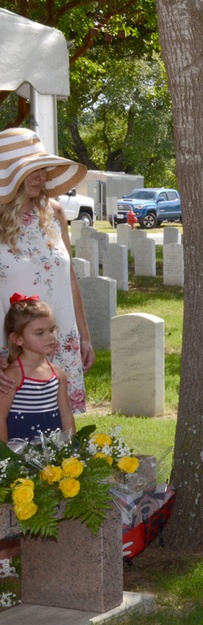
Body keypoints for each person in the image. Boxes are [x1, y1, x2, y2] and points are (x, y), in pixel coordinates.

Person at [0, 128, 94, 412]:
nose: (41, 176)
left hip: (60, 343)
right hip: (14, 350)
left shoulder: (54, 212)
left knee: (62, 440)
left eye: (43, 168)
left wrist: (84, 336)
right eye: (31, 169)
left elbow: (69, 278)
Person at [0, 294, 75, 443]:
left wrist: (71, 449)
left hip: (52, 453)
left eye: (52, 329)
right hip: (19, 455)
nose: (50, 337)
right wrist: (5, 457)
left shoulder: (58, 374)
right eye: (39, 333)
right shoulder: (13, 375)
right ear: (17, 339)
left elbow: (65, 414)